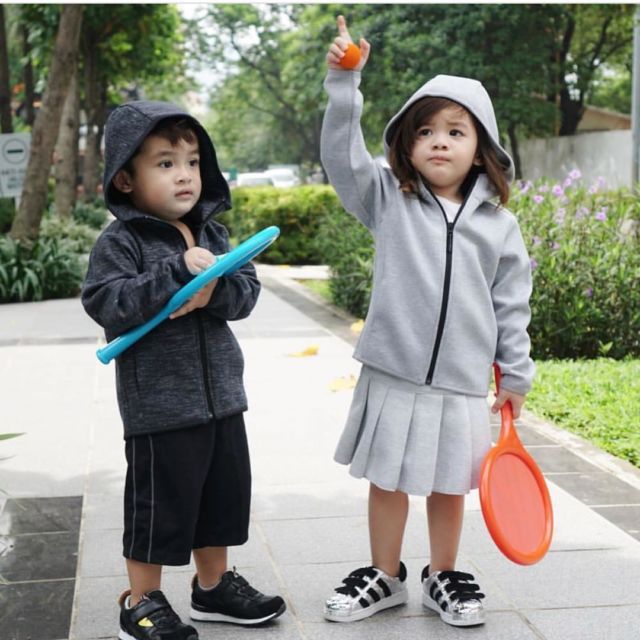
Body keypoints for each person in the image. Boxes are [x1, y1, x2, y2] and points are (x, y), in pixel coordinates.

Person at [320, 16, 535, 628]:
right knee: (387, 480)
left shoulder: (499, 226)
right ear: (407, 144)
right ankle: (384, 575)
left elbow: (511, 305)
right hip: (393, 373)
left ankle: (444, 575)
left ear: (483, 148)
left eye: (455, 130)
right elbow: (340, 155)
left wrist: (514, 376)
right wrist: (345, 81)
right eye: (426, 131)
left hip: (463, 381)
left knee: (448, 487)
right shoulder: (387, 198)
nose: (439, 141)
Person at [82, 101, 286, 640]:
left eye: (192, 162)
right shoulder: (121, 243)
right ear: (125, 178)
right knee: (159, 508)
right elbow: (107, 303)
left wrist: (214, 288)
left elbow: (246, 294)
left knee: (219, 496)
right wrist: (176, 274)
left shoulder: (213, 235)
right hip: (160, 409)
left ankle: (212, 587)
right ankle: (141, 601)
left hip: (222, 398)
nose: (185, 175)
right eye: (166, 163)